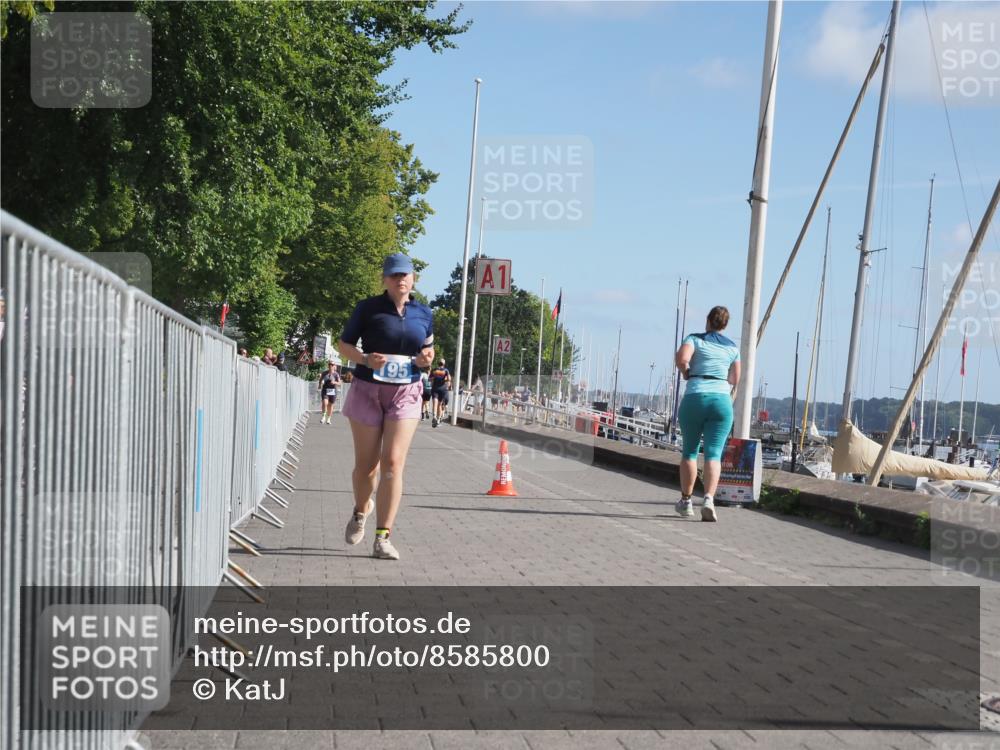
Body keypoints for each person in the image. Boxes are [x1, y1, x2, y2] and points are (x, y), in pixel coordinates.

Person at [337, 253, 434, 560]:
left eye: (405, 274)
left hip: (406, 391)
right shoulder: (367, 308)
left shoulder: (424, 313)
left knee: (392, 463)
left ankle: (383, 538)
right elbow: (344, 345)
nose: (400, 279)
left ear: (413, 278)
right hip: (367, 390)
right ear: (385, 279)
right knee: (367, 467)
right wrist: (365, 359)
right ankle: (360, 510)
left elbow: (428, 349)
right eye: (394, 275)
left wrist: (425, 359)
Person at [674, 305, 741, 522]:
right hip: (721, 401)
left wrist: (687, 372)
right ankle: (709, 500)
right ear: (725, 325)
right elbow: (735, 378)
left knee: (690, 452)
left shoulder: (694, 339)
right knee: (714, 454)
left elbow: (681, 359)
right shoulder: (732, 347)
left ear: (708, 320)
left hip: (696, 396)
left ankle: (686, 502)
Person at [429, 359, 451, 427]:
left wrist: (435, 377)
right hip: (442, 389)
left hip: (435, 388)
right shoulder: (446, 370)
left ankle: (434, 417)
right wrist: (444, 379)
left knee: (435, 403)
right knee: (440, 404)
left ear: (438, 363)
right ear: (444, 364)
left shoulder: (434, 370)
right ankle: (438, 420)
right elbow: (449, 379)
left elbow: (429, 379)